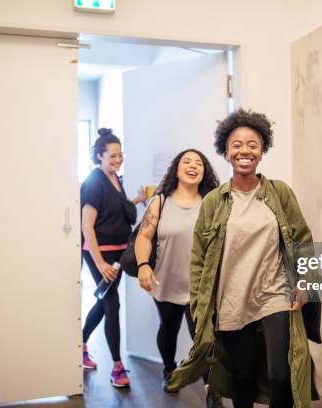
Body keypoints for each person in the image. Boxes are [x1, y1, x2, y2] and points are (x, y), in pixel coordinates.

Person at [166, 109, 322, 407]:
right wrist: (201, 307)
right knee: (243, 378)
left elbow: (302, 241)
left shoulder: (280, 193)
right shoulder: (214, 201)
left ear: (262, 151)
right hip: (232, 300)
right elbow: (199, 258)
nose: (244, 150)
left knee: (282, 375)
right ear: (226, 152)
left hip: (275, 295)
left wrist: (305, 284)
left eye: (252, 144)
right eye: (236, 145)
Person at [135, 149, 224, 407]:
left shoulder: (212, 202)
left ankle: (212, 392)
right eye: (187, 161)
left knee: (204, 339)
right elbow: (143, 237)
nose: (193, 165)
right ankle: (169, 368)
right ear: (176, 169)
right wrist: (143, 265)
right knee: (168, 330)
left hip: (201, 288)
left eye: (199, 163)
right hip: (166, 282)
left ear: (204, 172)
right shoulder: (159, 202)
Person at [80, 128, 147, 388]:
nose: (118, 160)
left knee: (104, 300)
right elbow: (88, 226)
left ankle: (80, 344)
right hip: (101, 254)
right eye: (112, 156)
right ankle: (118, 367)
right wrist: (100, 263)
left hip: (119, 251)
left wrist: (137, 200)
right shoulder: (94, 182)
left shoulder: (115, 178)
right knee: (112, 304)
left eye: (121, 156)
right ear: (99, 156)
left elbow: (114, 208)